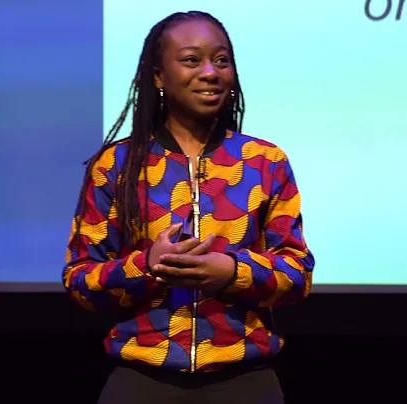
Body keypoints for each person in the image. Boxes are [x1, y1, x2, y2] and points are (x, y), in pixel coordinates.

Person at [61, 10, 315, 404]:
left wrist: (232, 271)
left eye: (222, 60)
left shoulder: (265, 161)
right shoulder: (116, 165)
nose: (210, 72)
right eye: (192, 60)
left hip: (245, 381)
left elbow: (297, 274)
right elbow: (80, 279)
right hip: (142, 378)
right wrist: (148, 267)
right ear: (159, 77)